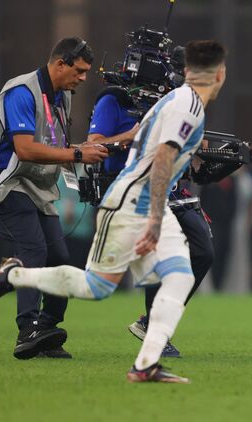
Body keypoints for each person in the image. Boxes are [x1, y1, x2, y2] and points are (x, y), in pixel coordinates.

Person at [0, 40, 227, 383]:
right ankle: (16, 279)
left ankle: (143, 364)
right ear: (219, 75)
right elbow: (164, 158)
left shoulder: (179, 101)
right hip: (131, 199)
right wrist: (154, 218)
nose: (82, 78)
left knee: (179, 274)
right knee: (95, 284)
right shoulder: (187, 105)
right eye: (78, 70)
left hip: (139, 195)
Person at [0, 37, 108, 360]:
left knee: (59, 256)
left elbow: (57, 147)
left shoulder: (63, 96)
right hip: (3, 184)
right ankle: (27, 329)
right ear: (60, 64)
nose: (83, 78)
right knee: (34, 249)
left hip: (36, 188)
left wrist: (86, 153)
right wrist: (77, 154)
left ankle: (46, 329)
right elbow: (25, 149)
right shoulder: (20, 91)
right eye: (79, 70)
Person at [87, 74, 215, 358]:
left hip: (170, 187)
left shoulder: (173, 102)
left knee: (203, 252)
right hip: (132, 188)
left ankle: (150, 322)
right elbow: (93, 145)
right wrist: (129, 136)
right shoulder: (114, 99)